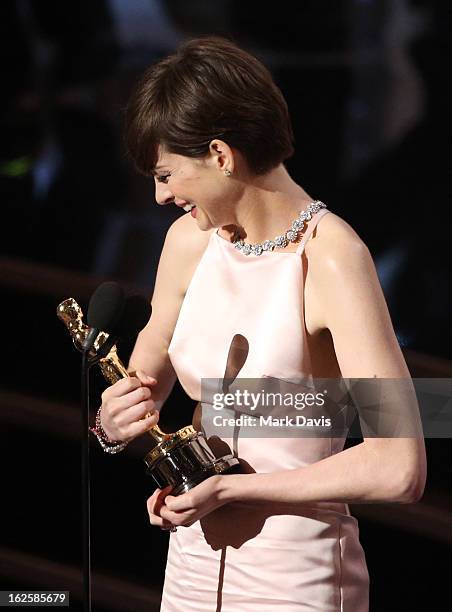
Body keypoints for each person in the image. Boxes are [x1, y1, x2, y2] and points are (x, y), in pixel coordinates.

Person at [97, 36, 427, 611]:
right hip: (191, 566)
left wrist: (233, 489)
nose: (159, 196)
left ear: (221, 155)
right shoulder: (188, 245)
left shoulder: (331, 256)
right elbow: (140, 390)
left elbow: (398, 465)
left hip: (295, 575)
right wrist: (111, 420)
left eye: (167, 174)